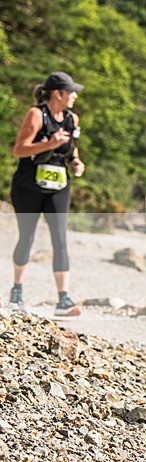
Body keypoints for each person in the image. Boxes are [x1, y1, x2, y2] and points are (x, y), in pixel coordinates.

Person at [9, 72, 86, 317]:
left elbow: (72, 151)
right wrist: (49, 144)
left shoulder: (72, 119)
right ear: (58, 94)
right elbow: (19, 150)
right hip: (28, 186)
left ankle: (63, 299)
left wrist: (77, 163)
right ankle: (17, 290)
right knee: (27, 237)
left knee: (60, 239)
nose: (74, 96)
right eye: (71, 92)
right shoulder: (36, 114)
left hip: (59, 186)